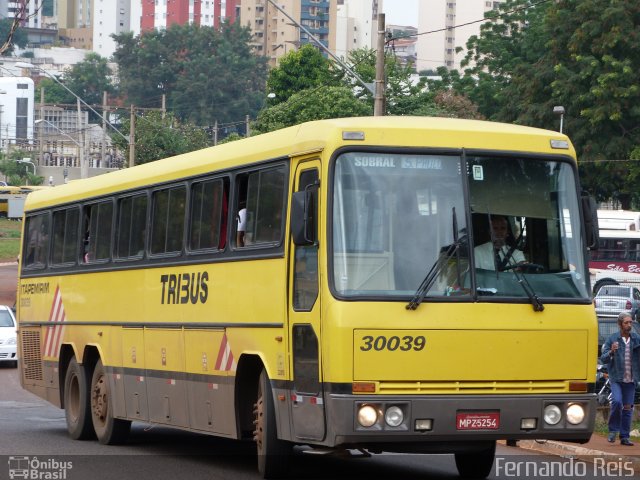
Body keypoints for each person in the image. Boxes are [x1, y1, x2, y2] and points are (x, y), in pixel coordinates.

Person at [600, 312, 640, 446]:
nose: (629, 325)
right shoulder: (612, 339)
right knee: (617, 402)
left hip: (631, 379)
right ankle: (612, 431)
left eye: (631, 322)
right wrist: (611, 351)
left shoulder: (636, 339)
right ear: (620, 324)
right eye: (626, 323)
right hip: (616, 378)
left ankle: (624, 436)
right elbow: (603, 358)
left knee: (628, 408)